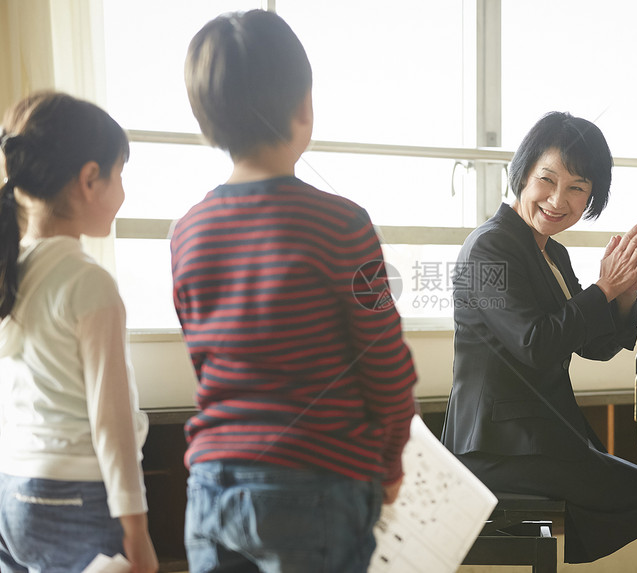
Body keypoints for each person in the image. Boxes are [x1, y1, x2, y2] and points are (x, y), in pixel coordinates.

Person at [173, 10, 417, 573]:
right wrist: (391, 461)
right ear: (304, 105)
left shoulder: (187, 231)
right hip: (317, 483)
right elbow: (385, 362)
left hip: (212, 484)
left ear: (207, 119)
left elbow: (206, 361)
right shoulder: (344, 225)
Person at [441, 111, 637, 572]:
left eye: (577, 188)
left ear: (591, 198)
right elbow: (535, 343)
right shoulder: (488, 247)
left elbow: (593, 345)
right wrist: (602, 289)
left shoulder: (552, 252)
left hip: (540, 441)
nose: (558, 199)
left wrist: (623, 294)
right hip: (497, 448)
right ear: (522, 174)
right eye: (547, 179)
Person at [0, 91, 158, 573]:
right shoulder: (89, 282)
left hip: (11, 493)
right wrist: (136, 529)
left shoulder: (11, 270)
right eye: (120, 175)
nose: (125, 193)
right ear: (90, 179)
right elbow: (110, 422)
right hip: (74, 497)